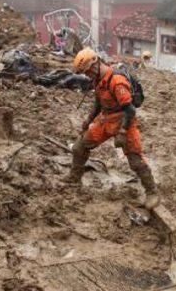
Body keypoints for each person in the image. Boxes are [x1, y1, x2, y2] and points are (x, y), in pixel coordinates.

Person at [66, 48, 160, 210]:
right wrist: (89, 119)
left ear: (94, 66)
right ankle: (74, 179)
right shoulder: (98, 80)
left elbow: (130, 110)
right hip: (106, 118)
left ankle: (152, 192)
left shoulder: (117, 81)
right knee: (80, 146)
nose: (87, 76)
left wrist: (123, 131)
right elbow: (99, 101)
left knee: (135, 160)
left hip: (124, 120)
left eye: (87, 72)